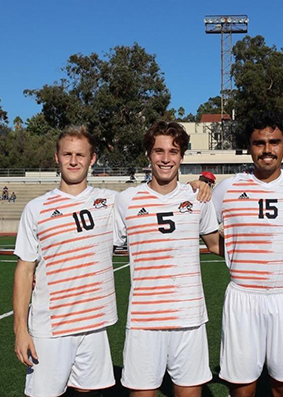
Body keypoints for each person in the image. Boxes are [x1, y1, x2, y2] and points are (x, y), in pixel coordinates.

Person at [212, 112, 283, 397]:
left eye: (274, 142)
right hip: (242, 296)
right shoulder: (227, 188)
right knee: (241, 386)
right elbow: (204, 225)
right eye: (259, 143)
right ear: (249, 147)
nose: (267, 149)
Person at [113, 120, 221, 397]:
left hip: (189, 318)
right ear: (148, 155)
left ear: (182, 156)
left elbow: (216, 245)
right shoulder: (126, 200)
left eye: (173, 151)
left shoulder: (198, 198)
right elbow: (100, 249)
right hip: (143, 320)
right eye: (158, 151)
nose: (165, 158)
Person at [13, 125, 118, 397]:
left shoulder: (111, 202)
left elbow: (156, 198)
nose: (74, 161)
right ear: (56, 157)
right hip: (51, 327)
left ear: (92, 159)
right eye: (67, 154)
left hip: (94, 325)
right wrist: (20, 331)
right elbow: (25, 271)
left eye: (81, 155)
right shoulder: (36, 209)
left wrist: (200, 183)